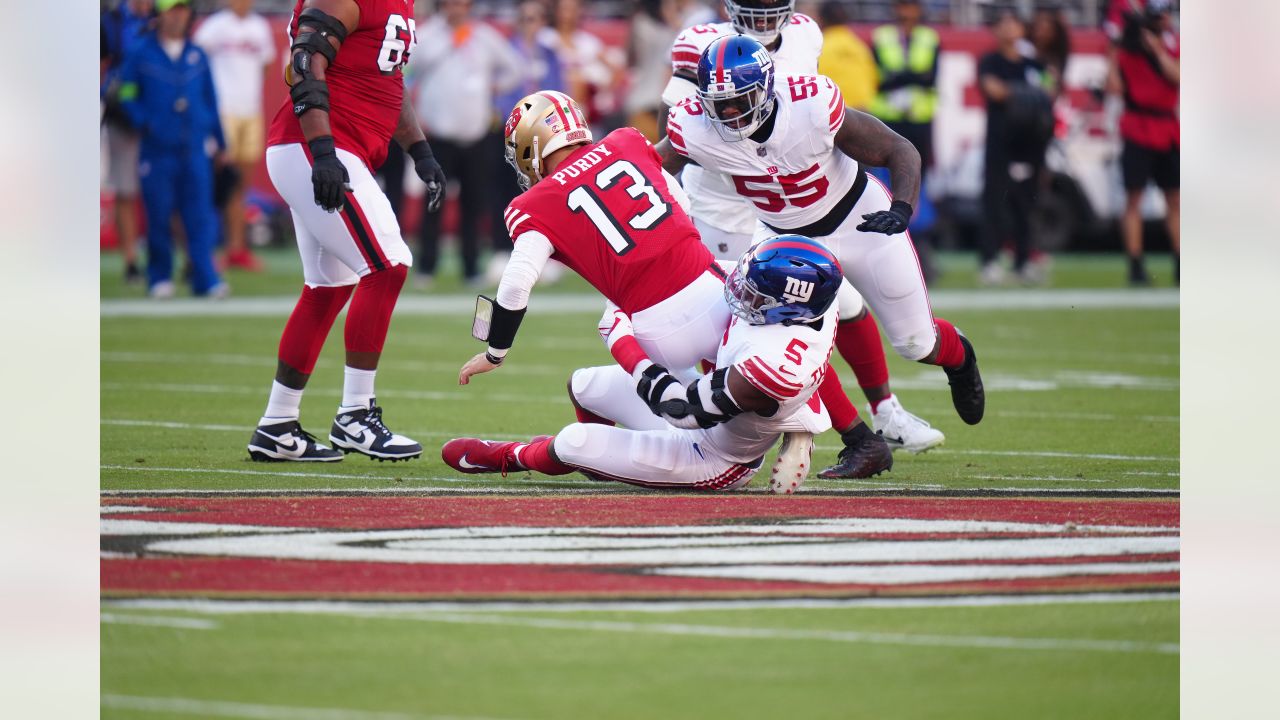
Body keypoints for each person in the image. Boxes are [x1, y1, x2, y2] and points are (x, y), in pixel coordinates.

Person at [456, 90, 892, 480]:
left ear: (532, 147)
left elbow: (515, 285)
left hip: (681, 378)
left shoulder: (533, 204)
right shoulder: (625, 141)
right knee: (592, 382)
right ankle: (815, 420)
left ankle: (514, 457)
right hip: (713, 283)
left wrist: (496, 351)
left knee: (600, 383)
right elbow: (678, 199)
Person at [659, 37, 987, 467]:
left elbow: (898, 148)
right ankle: (861, 441)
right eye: (719, 104)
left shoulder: (810, 105)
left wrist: (902, 207)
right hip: (784, 239)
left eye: (740, 101)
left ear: (765, 89)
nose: (729, 114)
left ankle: (959, 358)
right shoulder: (695, 128)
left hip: (858, 220)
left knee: (915, 342)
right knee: (775, 342)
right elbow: (650, 166)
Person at [443, 235, 851, 493]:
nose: (740, 293)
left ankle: (513, 456)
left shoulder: (773, 366)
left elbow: (682, 410)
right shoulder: (811, 304)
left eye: (755, 296)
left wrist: (623, 342)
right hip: (729, 406)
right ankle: (601, 466)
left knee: (573, 442)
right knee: (585, 385)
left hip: (714, 455)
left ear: (788, 311)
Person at [246, 0, 447, 462]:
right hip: (319, 146)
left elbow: (387, 83)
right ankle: (355, 414)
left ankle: (278, 424)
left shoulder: (401, 5)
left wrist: (420, 151)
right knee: (390, 265)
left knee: (328, 288)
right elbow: (304, 61)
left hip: (335, 147)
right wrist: (322, 150)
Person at [117, 0, 228, 299]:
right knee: (158, 214)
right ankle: (159, 276)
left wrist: (221, 142)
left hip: (194, 146)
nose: (179, 17)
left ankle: (205, 278)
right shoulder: (141, 52)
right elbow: (126, 92)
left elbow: (211, 100)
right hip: (157, 149)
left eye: (183, 10)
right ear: (160, 15)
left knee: (200, 216)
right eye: (172, 11)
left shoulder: (197, 54)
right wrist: (144, 122)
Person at [408, 0, 523, 288]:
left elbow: (516, 69)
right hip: (440, 135)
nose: (456, 8)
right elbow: (406, 72)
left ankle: (471, 267)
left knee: (474, 204)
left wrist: (495, 89)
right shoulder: (429, 35)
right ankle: (426, 267)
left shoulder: (484, 36)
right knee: (434, 201)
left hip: (476, 134)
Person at [486, 0, 567, 286]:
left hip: (544, 135)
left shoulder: (550, 53)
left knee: (547, 193)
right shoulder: (507, 51)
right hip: (513, 131)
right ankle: (501, 249)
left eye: (536, 18)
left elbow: (560, 88)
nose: (531, 23)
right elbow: (499, 90)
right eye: (526, 18)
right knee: (507, 190)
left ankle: (549, 254)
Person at [194, 0, 277, 273]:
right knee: (216, 182)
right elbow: (197, 64)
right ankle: (205, 249)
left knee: (241, 182)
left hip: (249, 111)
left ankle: (236, 248)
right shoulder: (214, 27)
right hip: (223, 112)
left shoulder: (260, 27)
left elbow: (265, 65)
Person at [976, 10, 1055, 286]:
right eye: (1003, 23)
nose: (1009, 29)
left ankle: (1023, 260)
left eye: (1014, 23)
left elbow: (1050, 91)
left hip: (1031, 143)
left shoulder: (1035, 63)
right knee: (995, 202)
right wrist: (1027, 94)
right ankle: (989, 260)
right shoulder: (991, 61)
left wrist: (1018, 94)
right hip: (1001, 142)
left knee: (1027, 202)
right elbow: (993, 90)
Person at [1108, 0, 1179, 286]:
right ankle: (1136, 263)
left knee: (1174, 198)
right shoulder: (1126, 51)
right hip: (1137, 126)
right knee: (1133, 198)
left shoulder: (1172, 46)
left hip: (1167, 127)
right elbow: (1114, 86)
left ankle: (1180, 260)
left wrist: (1157, 49)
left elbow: (1177, 76)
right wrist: (1116, 51)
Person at [101, 0, 154, 286]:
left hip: (159, 113)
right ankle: (131, 260)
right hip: (123, 115)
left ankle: (179, 259)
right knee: (125, 190)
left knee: (169, 191)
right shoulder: (112, 21)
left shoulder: (164, 14)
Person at [625, 0, 680, 142]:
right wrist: (672, 18)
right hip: (645, 104)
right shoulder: (643, 24)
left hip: (669, 107)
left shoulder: (681, 23)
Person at [811, 1, 876, 111]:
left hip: (834, 112)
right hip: (864, 112)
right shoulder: (858, 45)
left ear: (821, 18)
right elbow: (873, 78)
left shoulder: (819, 47)